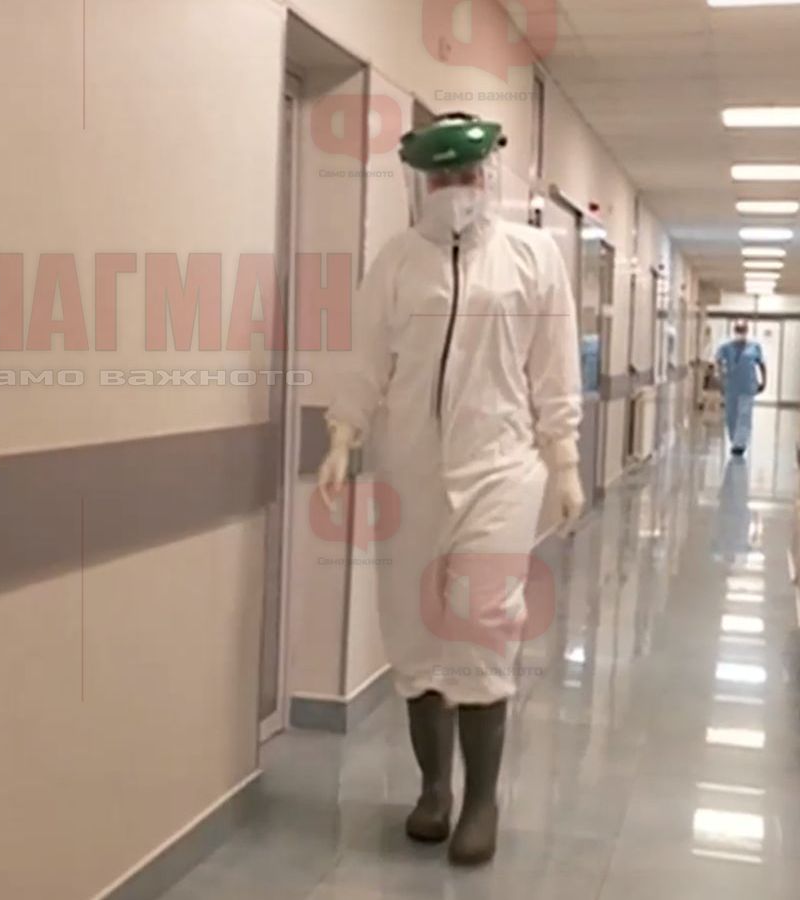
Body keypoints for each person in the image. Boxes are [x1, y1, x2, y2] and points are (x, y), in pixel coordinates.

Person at [316, 112, 584, 865]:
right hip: (410, 470)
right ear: (420, 182)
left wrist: (564, 458)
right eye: (441, 177)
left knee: (482, 620)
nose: (456, 190)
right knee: (414, 628)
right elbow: (366, 359)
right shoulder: (398, 262)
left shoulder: (532, 257)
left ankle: (482, 800)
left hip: (502, 467)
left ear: (488, 174)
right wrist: (342, 435)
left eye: (466, 174)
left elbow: (554, 365)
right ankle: (434, 789)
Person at [714, 321, 766, 456]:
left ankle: (740, 444)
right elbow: (718, 361)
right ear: (734, 330)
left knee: (744, 414)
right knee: (731, 415)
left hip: (748, 386)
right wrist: (720, 378)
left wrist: (763, 382)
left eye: (743, 329)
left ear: (747, 331)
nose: (740, 332)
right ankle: (734, 439)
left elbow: (761, 364)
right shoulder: (726, 347)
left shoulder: (754, 347)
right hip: (731, 386)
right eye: (738, 329)